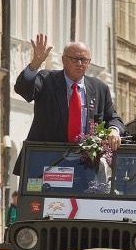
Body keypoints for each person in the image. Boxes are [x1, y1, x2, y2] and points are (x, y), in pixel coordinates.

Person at [13, 34, 124, 175]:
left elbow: (113, 118)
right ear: (63, 60)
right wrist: (35, 64)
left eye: (84, 59)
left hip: (85, 166)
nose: (79, 63)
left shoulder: (99, 88)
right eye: (74, 59)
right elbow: (22, 89)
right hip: (48, 162)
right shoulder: (47, 79)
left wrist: (114, 130)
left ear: (89, 63)